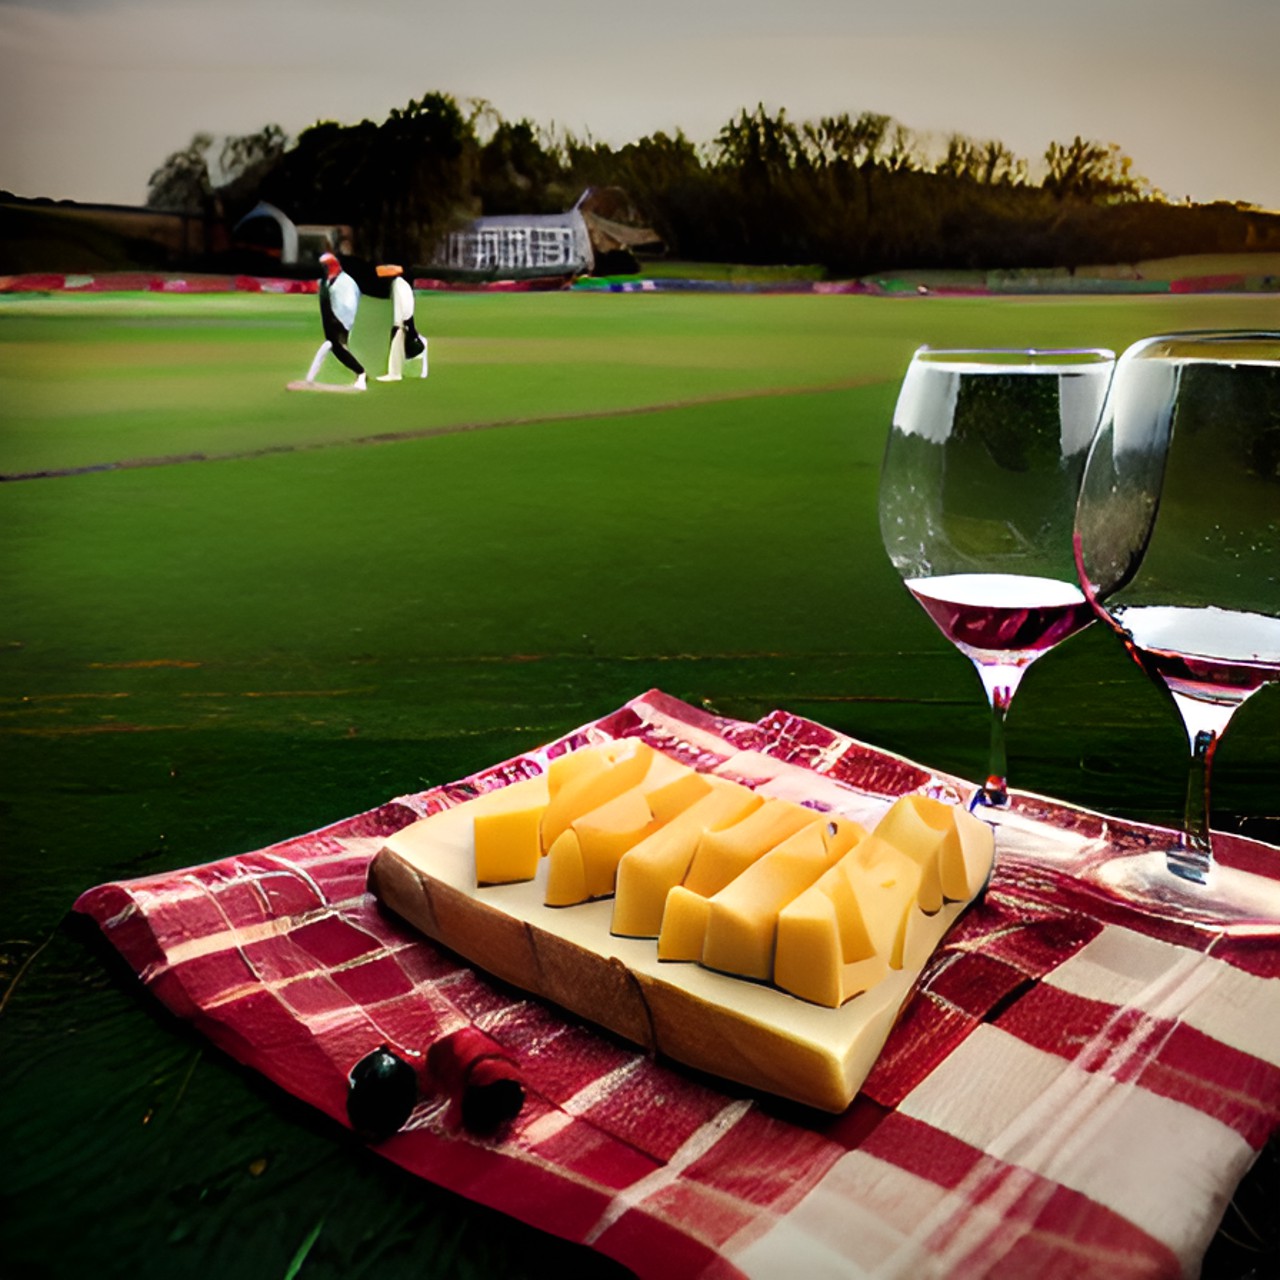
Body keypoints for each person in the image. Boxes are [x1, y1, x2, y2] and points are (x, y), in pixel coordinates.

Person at [305, 251, 366, 389]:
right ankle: (309, 379)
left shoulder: (345, 282)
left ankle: (361, 374)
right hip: (329, 319)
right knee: (328, 346)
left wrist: (341, 322)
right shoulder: (328, 281)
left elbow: (349, 305)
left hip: (338, 321)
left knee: (338, 349)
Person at [375, 264, 428, 381]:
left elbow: (401, 306)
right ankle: (397, 372)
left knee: (396, 348)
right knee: (399, 348)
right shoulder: (402, 284)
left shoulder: (397, 286)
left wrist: (400, 323)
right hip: (404, 320)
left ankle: (394, 374)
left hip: (400, 322)